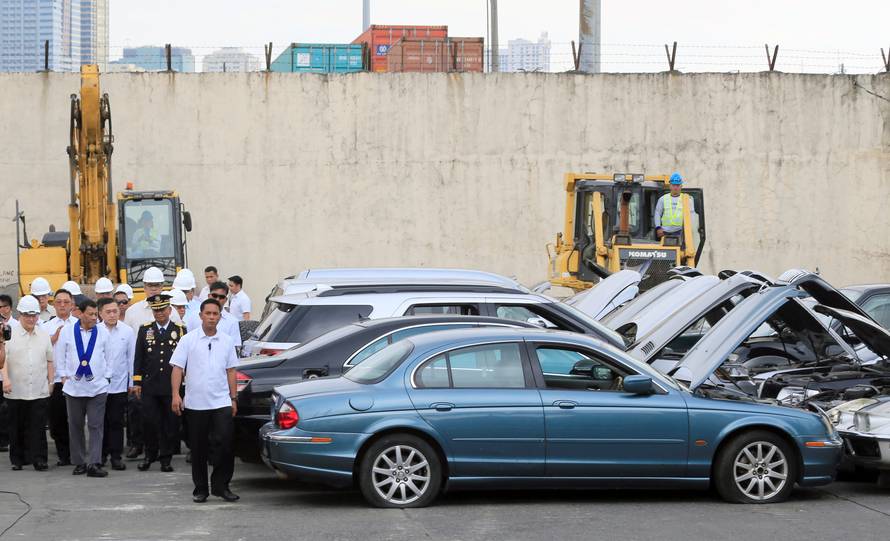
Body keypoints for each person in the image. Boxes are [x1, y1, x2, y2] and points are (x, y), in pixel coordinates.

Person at [171, 299, 239, 503]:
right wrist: (176, 395)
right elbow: (177, 368)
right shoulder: (188, 340)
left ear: (220, 317)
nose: (211, 317)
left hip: (221, 402)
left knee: (225, 444)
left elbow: (231, 371)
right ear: (201, 316)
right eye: (207, 313)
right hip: (196, 403)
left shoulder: (227, 341)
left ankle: (221, 485)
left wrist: (233, 398)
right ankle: (200, 489)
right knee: (198, 448)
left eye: (215, 314)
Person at [58, 297, 112, 478]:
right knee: (75, 426)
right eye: (90, 314)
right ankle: (79, 462)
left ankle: (94, 463)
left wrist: (107, 377)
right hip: (73, 388)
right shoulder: (67, 331)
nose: (94, 317)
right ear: (80, 314)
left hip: (97, 388)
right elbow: (61, 355)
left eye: (96, 314)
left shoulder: (103, 331)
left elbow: (109, 356)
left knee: (96, 425)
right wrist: (63, 376)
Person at [133, 294, 186, 472]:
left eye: (162, 309)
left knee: (169, 423)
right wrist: (137, 382)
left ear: (169, 310)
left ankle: (166, 458)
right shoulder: (145, 330)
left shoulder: (180, 330)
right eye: (156, 310)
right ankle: (149, 455)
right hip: (150, 385)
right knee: (149, 422)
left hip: (171, 386)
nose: (159, 313)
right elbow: (139, 357)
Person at [1, 296, 52, 471]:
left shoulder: (43, 335)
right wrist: (6, 379)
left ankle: (39, 459)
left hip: (38, 388)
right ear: (20, 315)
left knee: (38, 426)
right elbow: (3, 360)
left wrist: (51, 382)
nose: (31, 319)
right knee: (16, 425)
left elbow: (49, 360)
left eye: (34, 315)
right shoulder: (9, 334)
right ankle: (18, 459)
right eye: (27, 316)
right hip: (16, 388)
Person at [97, 298, 135, 471]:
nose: (112, 315)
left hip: (119, 385)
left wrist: (132, 382)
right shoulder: (96, 331)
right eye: (108, 312)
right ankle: (100, 455)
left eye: (115, 311)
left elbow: (131, 358)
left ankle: (116, 456)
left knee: (117, 422)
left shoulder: (127, 331)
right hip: (99, 386)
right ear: (100, 313)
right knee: (100, 422)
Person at [42, 288, 76, 467]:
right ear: (53, 305)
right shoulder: (46, 326)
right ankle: (64, 455)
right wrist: (53, 338)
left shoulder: (79, 324)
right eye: (59, 302)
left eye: (66, 302)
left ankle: (77, 453)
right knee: (57, 420)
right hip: (55, 380)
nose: (62, 305)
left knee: (75, 420)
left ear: (72, 305)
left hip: (75, 380)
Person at [185, 282, 241, 351]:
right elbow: (187, 341)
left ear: (226, 300)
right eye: (214, 295)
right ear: (209, 296)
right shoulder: (194, 316)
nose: (217, 299)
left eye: (221, 297)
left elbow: (234, 348)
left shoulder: (232, 321)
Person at [654, 172, 695, 242]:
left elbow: (692, 216)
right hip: (664, 232)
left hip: (680, 232)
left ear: (681, 186)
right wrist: (658, 228)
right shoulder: (663, 199)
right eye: (673, 185)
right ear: (670, 185)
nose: (675, 187)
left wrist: (689, 231)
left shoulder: (687, 199)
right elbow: (657, 213)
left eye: (678, 185)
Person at [0, 295, 14, 453]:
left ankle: (8, 439)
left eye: (4, 306)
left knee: (8, 409)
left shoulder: (16, 325)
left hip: (11, 374)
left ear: (9, 308)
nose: (1, 310)